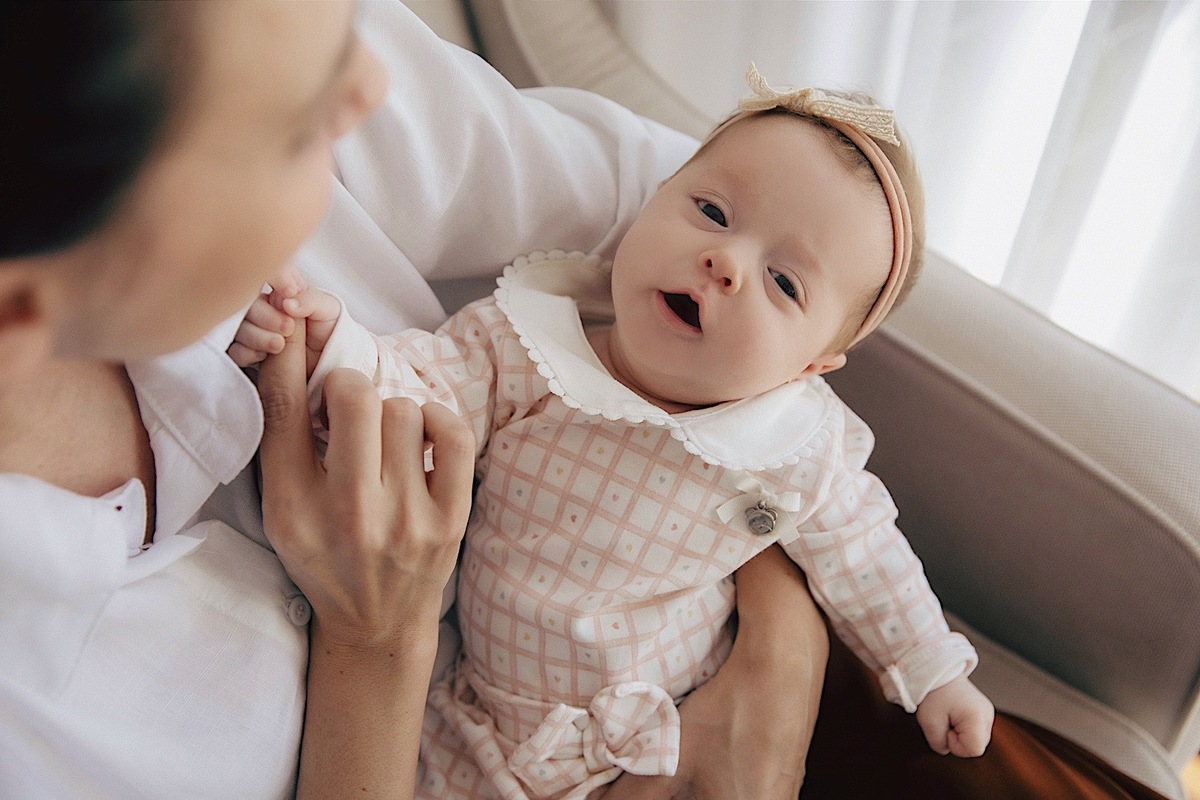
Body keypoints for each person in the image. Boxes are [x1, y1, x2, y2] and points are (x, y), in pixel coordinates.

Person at [0, 1, 1176, 798]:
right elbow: (435, 371)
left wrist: (786, 630)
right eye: (296, 123)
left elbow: (718, 191)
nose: (366, 75)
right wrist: (381, 637)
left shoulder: (257, 43)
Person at [232, 67, 999, 798]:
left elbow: (864, 553)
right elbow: (416, 388)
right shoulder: (527, 347)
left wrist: (931, 668)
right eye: (710, 211)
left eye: (785, 282)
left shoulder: (795, 445)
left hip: (661, 740)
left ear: (814, 365)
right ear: (656, 198)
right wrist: (328, 342)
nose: (725, 260)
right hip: (480, 724)